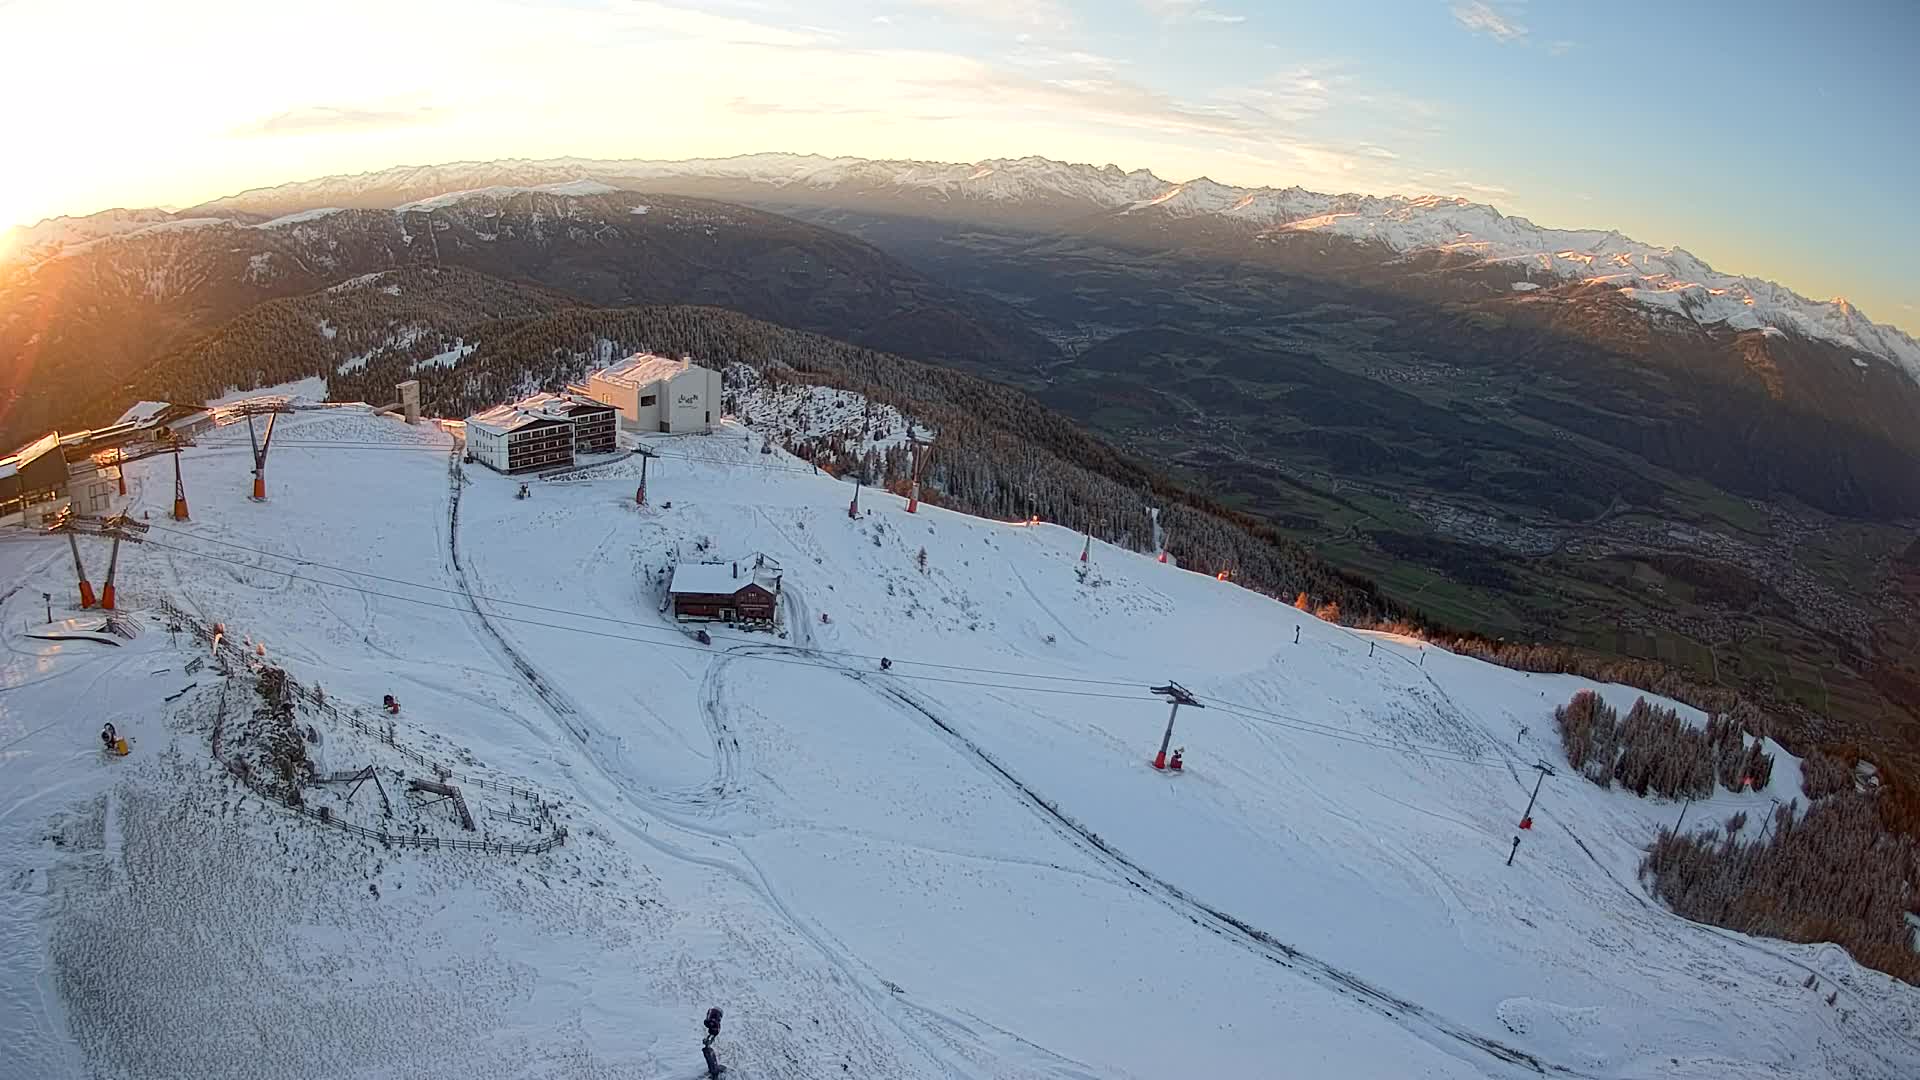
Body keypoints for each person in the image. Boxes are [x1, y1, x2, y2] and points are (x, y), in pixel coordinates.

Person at [702, 1006, 725, 1078]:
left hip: (712, 1032)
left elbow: (709, 1024)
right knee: (708, 1051)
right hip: (712, 1032)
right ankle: (714, 1070)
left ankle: (714, 1070)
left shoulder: (713, 1024)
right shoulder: (713, 1023)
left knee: (708, 1050)